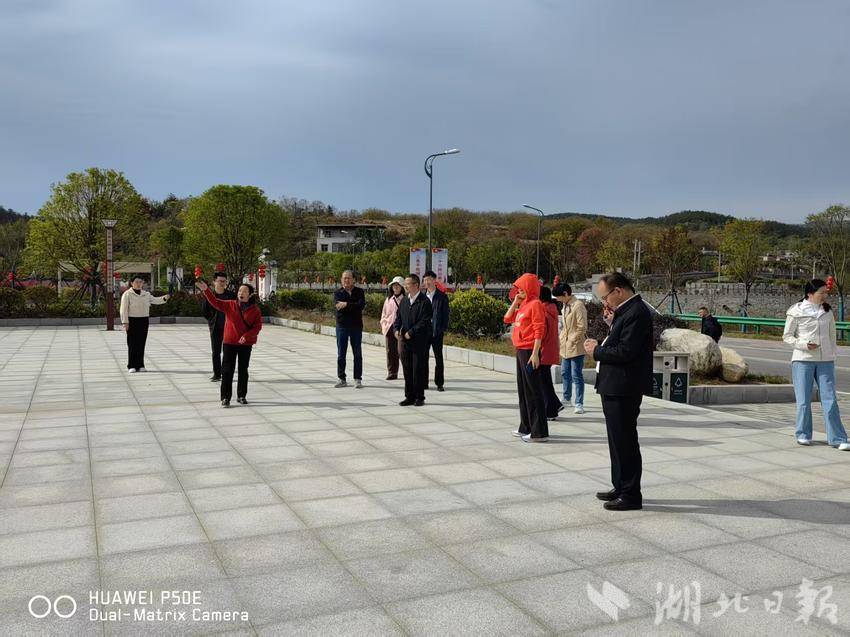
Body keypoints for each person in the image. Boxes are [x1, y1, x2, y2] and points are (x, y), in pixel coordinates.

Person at [584, 272, 652, 510]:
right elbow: (619, 341)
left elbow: (626, 351)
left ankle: (631, 494)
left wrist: (596, 352)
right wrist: (610, 325)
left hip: (625, 386)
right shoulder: (625, 312)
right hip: (614, 385)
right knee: (616, 440)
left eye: (605, 297)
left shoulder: (638, 312)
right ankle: (620, 485)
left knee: (625, 441)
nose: (605, 302)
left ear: (618, 291)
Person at [783, 279, 850, 450]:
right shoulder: (796, 311)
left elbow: (832, 335)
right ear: (810, 294)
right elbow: (787, 336)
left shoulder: (827, 312)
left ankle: (838, 438)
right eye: (822, 292)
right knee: (804, 400)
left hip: (825, 361)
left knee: (830, 400)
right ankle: (803, 434)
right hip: (803, 359)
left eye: (826, 292)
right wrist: (804, 345)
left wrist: (832, 354)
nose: (825, 296)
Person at [197, 279, 262, 407]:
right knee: (227, 370)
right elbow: (215, 302)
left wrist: (247, 336)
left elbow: (257, 327)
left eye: (244, 291)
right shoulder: (230, 305)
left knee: (243, 370)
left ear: (249, 295)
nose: (240, 293)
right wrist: (206, 290)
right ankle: (225, 397)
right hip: (229, 342)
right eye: (239, 291)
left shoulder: (255, 310)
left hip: (245, 344)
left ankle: (241, 395)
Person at [504, 273, 549, 442]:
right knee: (523, 391)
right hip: (521, 350)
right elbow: (507, 318)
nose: (519, 290)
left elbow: (539, 329)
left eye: (521, 288)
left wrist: (536, 352)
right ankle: (526, 426)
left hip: (530, 351)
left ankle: (539, 432)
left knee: (533, 391)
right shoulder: (524, 305)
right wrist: (516, 301)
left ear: (529, 287)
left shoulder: (536, 304)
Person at [393, 274, 433, 406]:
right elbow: (398, 318)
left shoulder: (424, 301)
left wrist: (411, 332)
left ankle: (419, 396)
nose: (405, 286)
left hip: (418, 341)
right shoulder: (404, 300)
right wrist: (396, 329)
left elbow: (424, 321)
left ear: (416, 285)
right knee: (407, 369)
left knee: (418, 369)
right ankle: (409, 396)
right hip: (405, 341)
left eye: (408, 284)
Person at [119, 276, 169, 373]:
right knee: (132, 344)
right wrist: (125, 322)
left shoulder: (146, 294)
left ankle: (140, 365)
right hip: (132, 320)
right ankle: (131, 366)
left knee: (141, 343)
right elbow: (123, 309)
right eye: (136, 282)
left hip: (144, 320)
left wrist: (164, 298)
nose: (139, 284)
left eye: (140, 282)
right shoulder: (127, 294)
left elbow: (155, 300)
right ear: (131, 283)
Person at [553, 283, 587, 414]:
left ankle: (579, 403)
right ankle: (567, 398)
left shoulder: (578, 305)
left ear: (566, 294)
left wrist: (573, 340)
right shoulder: (565, 305)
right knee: (564, 373)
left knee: (576, 375)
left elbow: (582, 327)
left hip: (575, 345)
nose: (557, 299)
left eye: (559, 297)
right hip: (565, 345)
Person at [201, 271, 237, 381]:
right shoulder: (209, 295)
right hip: (216, 327)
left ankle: (226, 373)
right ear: (214, 282)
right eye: (220, 281)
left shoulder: (231, 295)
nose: (222, 283)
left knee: (228, 352)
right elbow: (204, 311)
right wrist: (212, 321)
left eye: (224, 281)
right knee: (216, 352)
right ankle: (217, 374)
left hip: (229, 328)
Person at [333, 270, 366, 388]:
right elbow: (339, 308)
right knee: (341, 353)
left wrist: (346, 304)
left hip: (356, 327)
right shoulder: (338, 293)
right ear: (341, 279)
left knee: (357, 353)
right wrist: (353, 305)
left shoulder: (359, 292)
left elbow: (361, 306)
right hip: (342, 326)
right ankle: (342, 378)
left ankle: (358, 379)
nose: (346, 280)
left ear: (354, 280)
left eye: (348, 278)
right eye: (344, 278)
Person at [423, 270, 450, 391]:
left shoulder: (442, 296)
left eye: (429, 279)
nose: (426, 282)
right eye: (425, 280)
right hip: (424, 332)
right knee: (423, 358)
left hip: (437, 332)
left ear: (434, 280)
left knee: (438, 358)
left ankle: (439, 383)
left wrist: (442, 328)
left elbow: (446, 315)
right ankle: (424, 382)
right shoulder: (422, 296)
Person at [539, 287, 563, 420]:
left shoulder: (543, 311)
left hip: (543, 351)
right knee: (546, 381)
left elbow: (541, 333)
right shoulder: (551, 309)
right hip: (551, 350)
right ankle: (555, 406)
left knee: (543, 382)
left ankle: (551, 410)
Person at [380, 276, 405, 380]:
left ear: (402, 287)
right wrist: (384, 325)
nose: (395, 287)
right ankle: (392, 373)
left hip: (400, 329)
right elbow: (384, 314)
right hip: (389, 328)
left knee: (402, 352)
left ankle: (408, 372)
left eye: (397, 285)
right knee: (390, 352)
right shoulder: (389, 299)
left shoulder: (405, 299)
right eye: (394, 285)